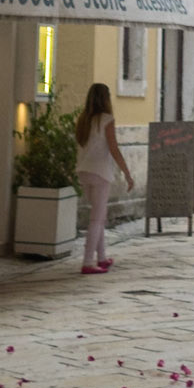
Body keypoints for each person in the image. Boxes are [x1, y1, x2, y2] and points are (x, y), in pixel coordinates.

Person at [74, 82, 134, 275]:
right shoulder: (106, 119)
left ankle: (101, 257)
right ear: (106, 99)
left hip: (84, 171)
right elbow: (114, 149)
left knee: (98, 216)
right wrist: (127, 173)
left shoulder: (83, 120)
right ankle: (88, 262)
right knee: (97, 219)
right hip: (100, 172)